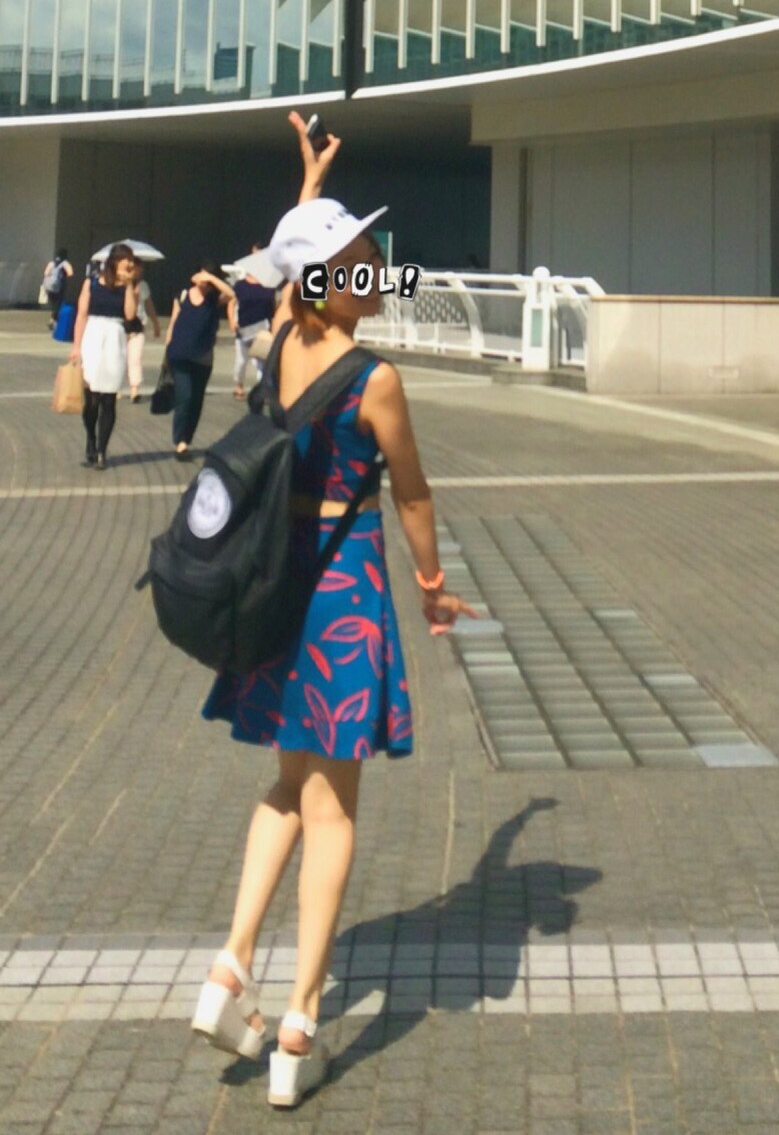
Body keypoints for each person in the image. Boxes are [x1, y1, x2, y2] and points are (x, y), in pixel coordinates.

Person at [192, 112, 477, 1110]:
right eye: (362, 254)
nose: (376, 263)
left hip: (275, 581)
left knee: (286, 784)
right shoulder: (375, 379)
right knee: (332, 808)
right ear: (335, 277)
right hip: (344, 590)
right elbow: (413, 496)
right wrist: (432, 585)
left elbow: (289, 271)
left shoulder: (278, 341)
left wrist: (310, 189)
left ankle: (229, 966)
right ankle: (301, 1021)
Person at [70, 244, 137, 470]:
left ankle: (101, 451)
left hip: (115, 339)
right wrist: (76, 346)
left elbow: (130, 315)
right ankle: (91, 438)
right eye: (126, 259)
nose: (130, 264)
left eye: (131, 260)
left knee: (108, 398)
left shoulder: (128, 286)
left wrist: (129, 285)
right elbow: (81, 315)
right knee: (90, 398)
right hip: (93, 336)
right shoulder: (91, 283)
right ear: (115, 261)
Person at [163, 262, 235, 460]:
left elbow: (231, 294)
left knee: (196, 401)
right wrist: (167, 350)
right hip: (179, 354)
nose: (202, 281)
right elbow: (173, 322)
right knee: (184, 397)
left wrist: (211, 279)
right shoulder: (183, 295)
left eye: (208, 277)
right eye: (201, 275)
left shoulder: (214, 298)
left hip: (202, 358)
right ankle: (179, 442)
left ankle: (186, 439)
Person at [227, 246, 276, 400]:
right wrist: (232, 320)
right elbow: (232, 303)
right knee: (241, 361)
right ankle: (238, 384)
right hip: (243, 327)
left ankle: (261, 391)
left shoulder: (268, 285)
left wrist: (274, 326)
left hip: (263, 329)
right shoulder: (241, 285)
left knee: (261, 361)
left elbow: (273, 307)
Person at [124, 261, 161, 403]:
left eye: (139, 270)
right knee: (119, 357)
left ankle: (134, 388)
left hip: (138, 325)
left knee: (135, 357)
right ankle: (116, 387)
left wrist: (155, 323)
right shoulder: (119, 284)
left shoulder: (143, 285)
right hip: (121, 325)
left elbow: (148, 304)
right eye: (135, 269)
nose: (137, 272)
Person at [42, 252, 74, 329]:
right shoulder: (65, 263)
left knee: (53, 305)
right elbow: (70, 273)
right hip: (59, 287)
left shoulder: (51, 263)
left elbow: (46, 273)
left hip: (50, 287)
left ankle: (53, 320)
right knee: (58, 305)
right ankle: (53, 321)